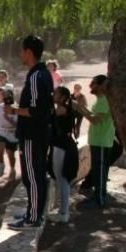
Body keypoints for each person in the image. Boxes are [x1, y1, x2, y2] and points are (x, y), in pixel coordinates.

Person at [9, 35, 55, 229]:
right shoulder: (41, 74)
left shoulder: (36, 76)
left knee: (33, 176)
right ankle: (33, 211)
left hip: (33, 135)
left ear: (28, 52)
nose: (20, 54)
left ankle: (34, 217)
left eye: (22, 50)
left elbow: (37, 110)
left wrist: (14, 110)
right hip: (37, 134)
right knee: (33, 175)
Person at [75, 75, 114, 208]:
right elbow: (92, 115)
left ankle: (100, 199)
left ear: (102, 85)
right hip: (97, 141)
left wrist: (80, 109)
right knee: (97, 170)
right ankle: (97, 195)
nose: (90, 86)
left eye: (93, 83)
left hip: (102, 141)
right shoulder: (100, 101)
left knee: (101, 170)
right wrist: (80, 107)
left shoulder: (104, 101)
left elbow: (96, 120)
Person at [48, 86, 78, 223]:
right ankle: (62, 211)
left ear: (63, 97)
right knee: (61, 179)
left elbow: (49, 120)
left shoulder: (61, 109)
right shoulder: (65, 108)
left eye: (56, 94)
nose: (54, 95)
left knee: (62, 180)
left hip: (62, 147)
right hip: (63, 145)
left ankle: (63, 213)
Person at [0, 88, 18, 177]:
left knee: (10, 154)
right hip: (0, 132)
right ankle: (1, 165)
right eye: (4, 96)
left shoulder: (17, 109)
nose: (6, 98)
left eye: (8, 96)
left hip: (11, 133)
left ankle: (12, 169)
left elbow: (17, 125)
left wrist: (8, 118)